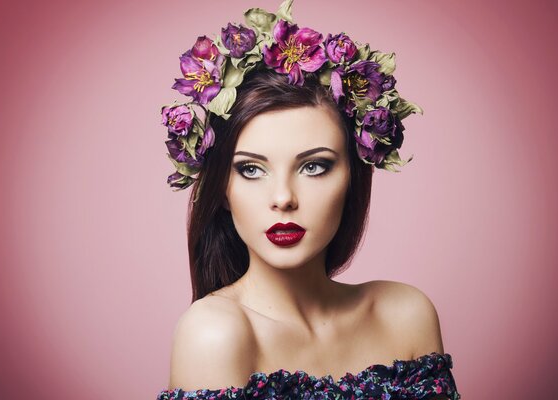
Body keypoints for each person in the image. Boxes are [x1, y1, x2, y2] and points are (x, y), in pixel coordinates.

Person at [157, 1, 460, 399]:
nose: (283, 198)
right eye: (251, 170)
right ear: (222, 191)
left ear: (353, 176)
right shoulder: (214, 333)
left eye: (314, 167)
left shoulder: (405, 313)